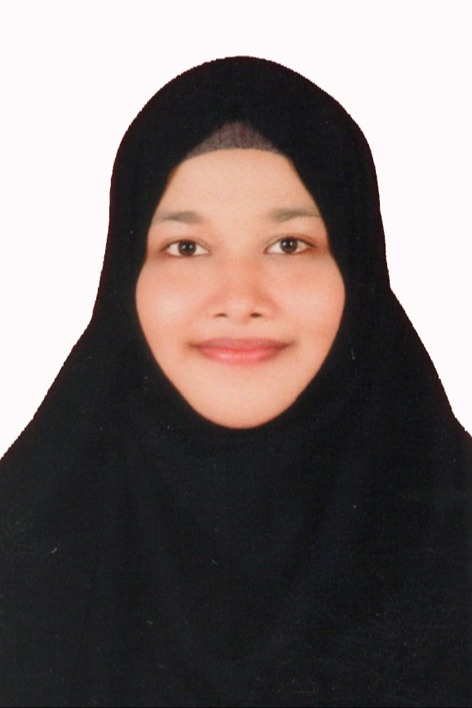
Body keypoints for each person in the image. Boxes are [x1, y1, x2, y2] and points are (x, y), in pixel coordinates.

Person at [0, 57, 470, 707]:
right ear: (124, 279)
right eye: (187, 248)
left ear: (357, 271)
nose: (240, 298)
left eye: (289, 245)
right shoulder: (20, 545)